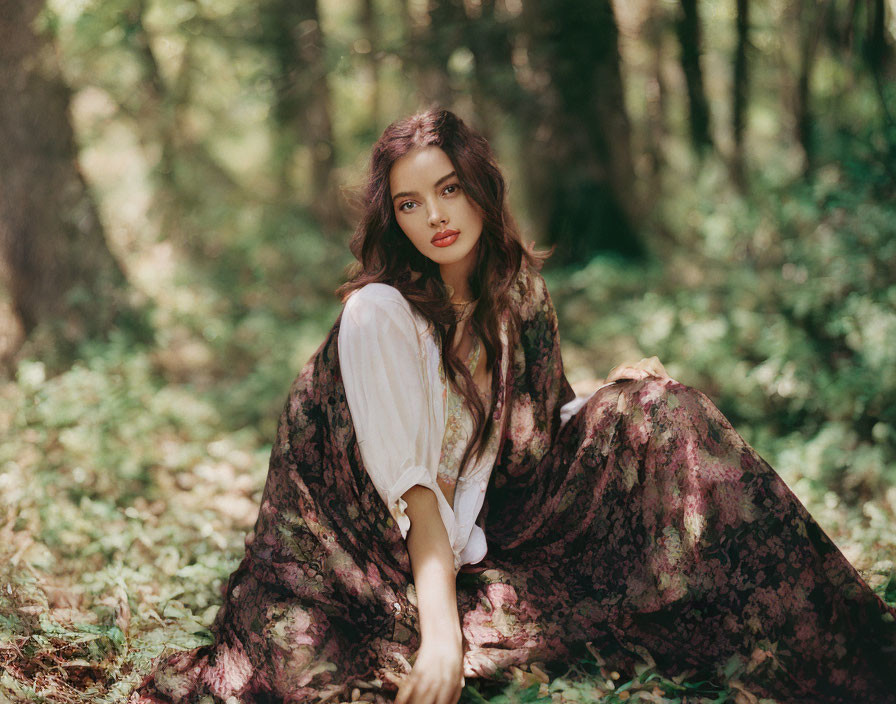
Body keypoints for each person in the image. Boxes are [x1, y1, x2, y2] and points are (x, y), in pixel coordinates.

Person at [129, 108, 896, 704]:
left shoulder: (513, 294)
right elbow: (417, 499)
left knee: (667, 411)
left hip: (485, 535)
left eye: (448, 188)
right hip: (364, 566)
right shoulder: (380, 316)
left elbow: (530, 432)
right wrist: (440, 640)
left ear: (478, 184)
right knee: (322, 677)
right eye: (408, 202)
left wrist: (618, 397)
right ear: (390, 218)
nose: (434, 215)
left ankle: (848, 645)